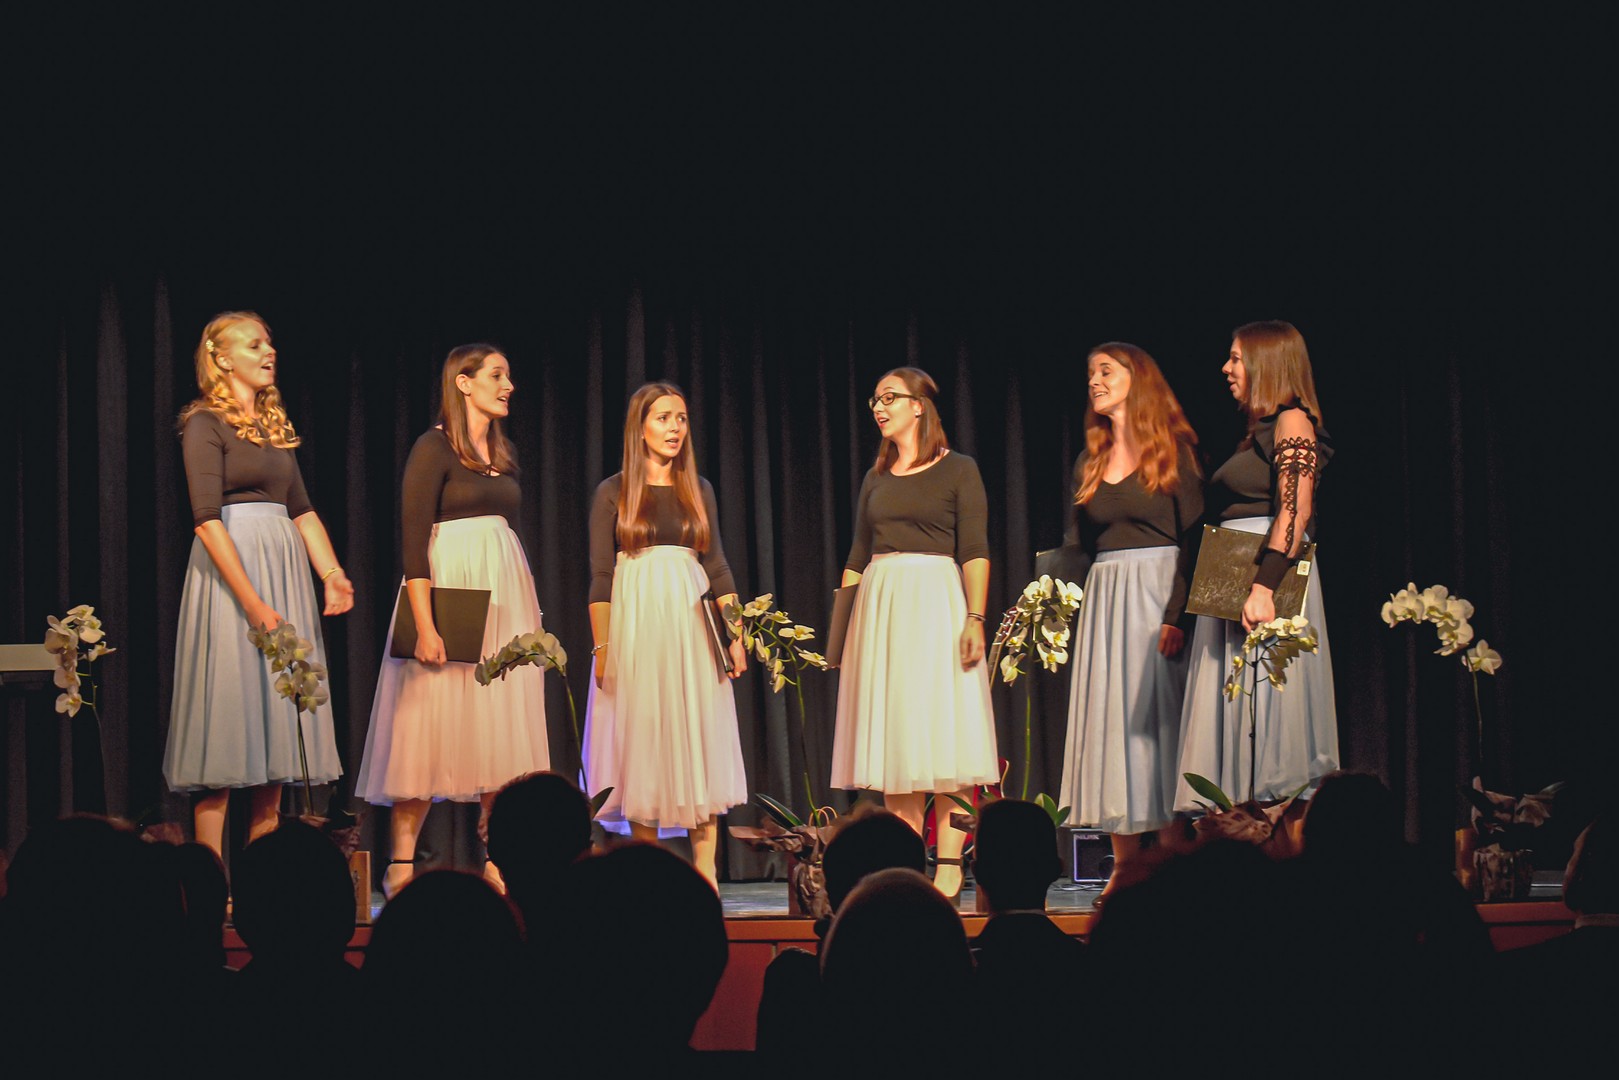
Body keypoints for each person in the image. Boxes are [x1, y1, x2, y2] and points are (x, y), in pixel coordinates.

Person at [356, 344, 551, 898]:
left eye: (508, 376)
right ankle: (401, 864)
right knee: (427, 724)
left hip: (503, 596)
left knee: (499, 725)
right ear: (463, 383)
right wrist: (424, 624)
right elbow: (413, 540)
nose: (508, 385)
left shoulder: (504, 452)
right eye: (496, 375)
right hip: (448, 591)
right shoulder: (433, 447)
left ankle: (498, 861)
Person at [164, 312, 353, 857]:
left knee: (276, 732)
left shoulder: (274, 426)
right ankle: (209, 881)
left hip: (282, 569)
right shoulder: (204, 423)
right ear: (221, 358)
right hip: (233, 575)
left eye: (269, 343)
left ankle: (259, 882)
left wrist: (333, 574)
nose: (269, 351)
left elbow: (302, 510)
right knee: (227, 721)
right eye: (254, 345)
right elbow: (206, 521)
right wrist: (251, 602)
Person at [831, 367, 998, 901]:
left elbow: (974, 549)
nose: (879, 408)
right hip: (883, 608)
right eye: (875, 400)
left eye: (890, 398)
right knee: (896, 743)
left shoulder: (958, 469)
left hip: (936, 603)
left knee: (945, 738)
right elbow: (858, 554)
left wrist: (975, 618)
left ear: (919, 405)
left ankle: (949, 865)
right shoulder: (876, 477)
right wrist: (840, 633)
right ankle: (906, 866)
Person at [583, 382, 749, 886]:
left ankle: (706, 872)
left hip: (690, 624)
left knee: (699, 732)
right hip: (636, 625)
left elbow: (717, 566)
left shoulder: (698, 488)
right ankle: (647, 869)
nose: (674, 428)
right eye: (663, 418)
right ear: (640, 428)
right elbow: (601, 576)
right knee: (643, 734)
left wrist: (735, 634)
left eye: (681, 418)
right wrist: (603, 648)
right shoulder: (613, 492)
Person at [1056, 343, 1202, 891]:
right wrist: (1045, 599)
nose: (1094, 380)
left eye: (1106, 371)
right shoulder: (1089, 461)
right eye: (1090, 372)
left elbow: (1195, 541)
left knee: (1160, 728)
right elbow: (1077, 547)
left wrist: (1178, 616)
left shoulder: (1173, 453)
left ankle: (1173, 862)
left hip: (1158, 597)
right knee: (1112, 726)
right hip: (1107, 601)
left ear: (1136, 380)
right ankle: (1122, 868)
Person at [1174, 321, 1337, 810]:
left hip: (1268, 576)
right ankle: (1244, 835)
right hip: (1235, 574)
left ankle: (1279, 838)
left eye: (1236, 358)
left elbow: (1295, 511)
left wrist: (1264, 586)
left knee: (1270, 715)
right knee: (1238, 714)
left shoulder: (1293, 421)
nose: (1226, 369)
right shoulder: (1255, 433)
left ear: (1267, 363)